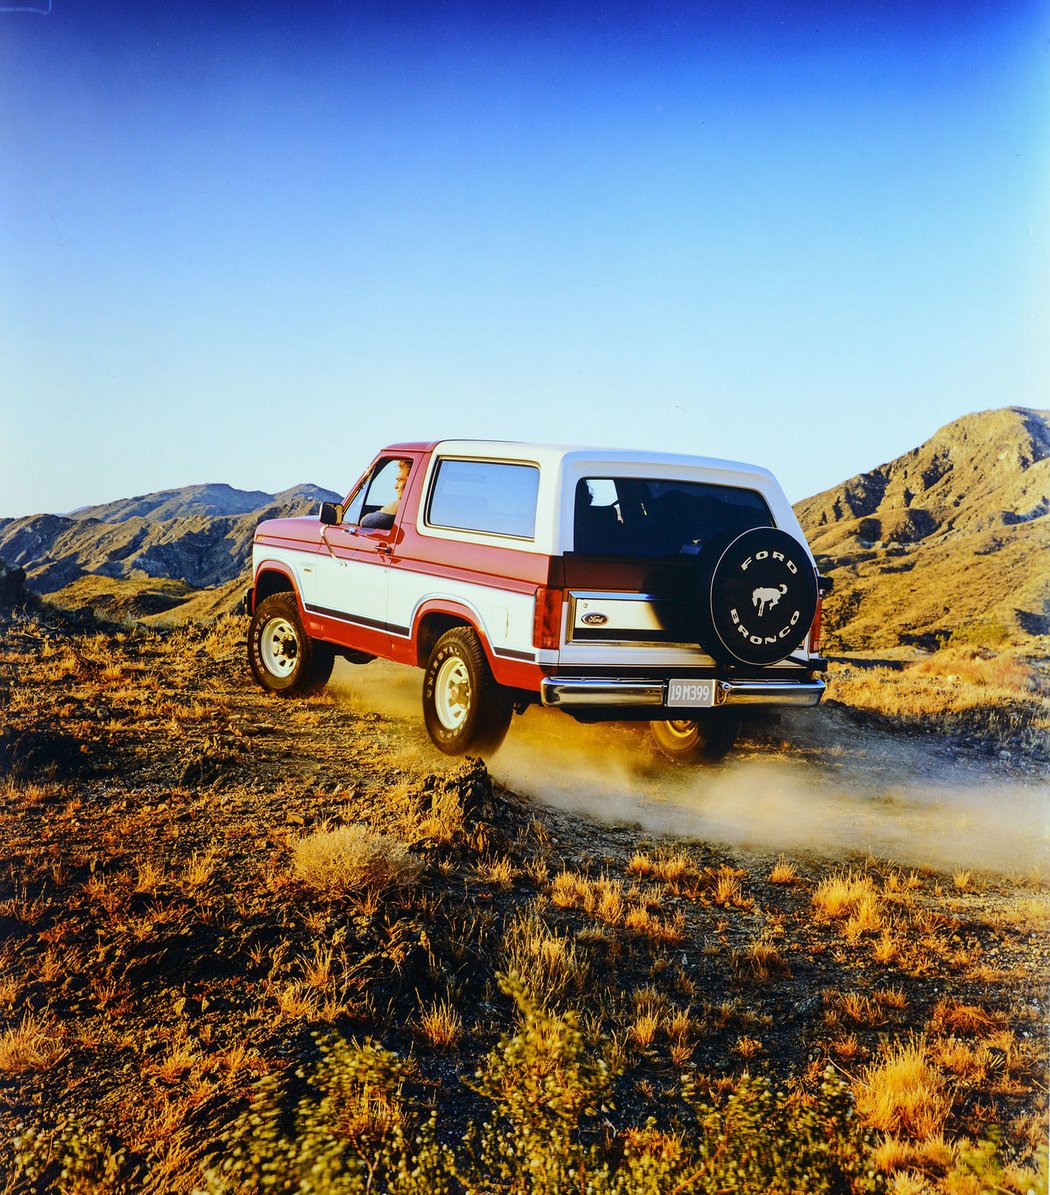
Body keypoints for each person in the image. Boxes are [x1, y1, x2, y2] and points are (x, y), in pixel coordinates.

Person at [360, 458, 411, 530]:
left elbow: (365, 521)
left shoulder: (400, 506)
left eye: (400, 480)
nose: (395, 486)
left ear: (412, 483)